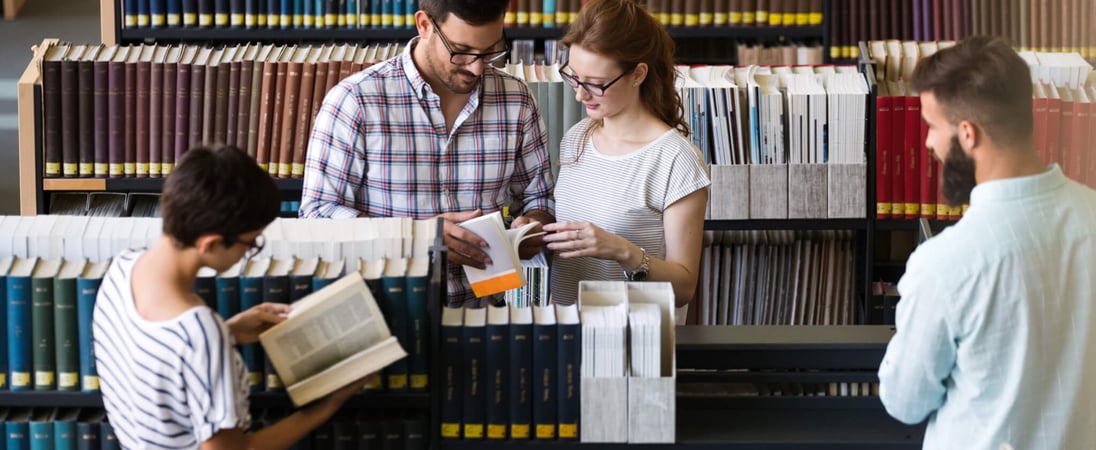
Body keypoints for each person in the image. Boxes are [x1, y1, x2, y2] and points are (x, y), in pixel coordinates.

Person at [877, 36, 1096, 449]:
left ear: (967, 134)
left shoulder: (944, 263)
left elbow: (905, 402)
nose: (927, 144)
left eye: (931, 127)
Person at [92, 145, 367, 450]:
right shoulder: (199, 335)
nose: (251, 250)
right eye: (251, 243)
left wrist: (229, 331)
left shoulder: (121, 269)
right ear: (210, 243)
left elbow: (156, 362)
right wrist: (326, 405)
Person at [299, 0, 555, 306]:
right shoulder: (356, 101)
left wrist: (534, 227)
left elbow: (539, 198)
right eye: (461, 51)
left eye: (489, 52)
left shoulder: (517, 100)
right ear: (424, 25)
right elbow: (317, 216)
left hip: (490, 315)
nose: (476, 67)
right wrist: (416, 236)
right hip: (390, 313)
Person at [541, 0, 710, 307]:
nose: (579, 94)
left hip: (633, 336)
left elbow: (684, 288)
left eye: (595, 84)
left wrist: (622, 251)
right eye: (573, 77)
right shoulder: (577, 137)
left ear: (637, 74)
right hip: (565, 331)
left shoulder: (676, 159)